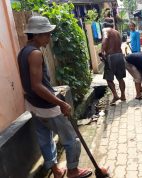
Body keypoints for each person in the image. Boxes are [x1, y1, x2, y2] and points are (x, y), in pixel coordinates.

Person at [17, 16, 92, 178]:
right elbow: (37, 85)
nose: (49, 38)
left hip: (33, 104)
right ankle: (72, 170)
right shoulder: (35, 53)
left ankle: (55, 170)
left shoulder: (23, 52)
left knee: (44, 138)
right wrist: (61, 103)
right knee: (71, 138)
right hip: (47, 107)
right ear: (36, 35)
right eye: (46, 34)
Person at [100, 22, 126, 105]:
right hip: (120, 56)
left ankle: (115, 95)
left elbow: (105, 40)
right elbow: (120, 43)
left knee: (109, 79)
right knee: (120, 78)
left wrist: (102, 52)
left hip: (111, 57)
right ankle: (123, 95)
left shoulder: (105, 30)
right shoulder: (117, 32)